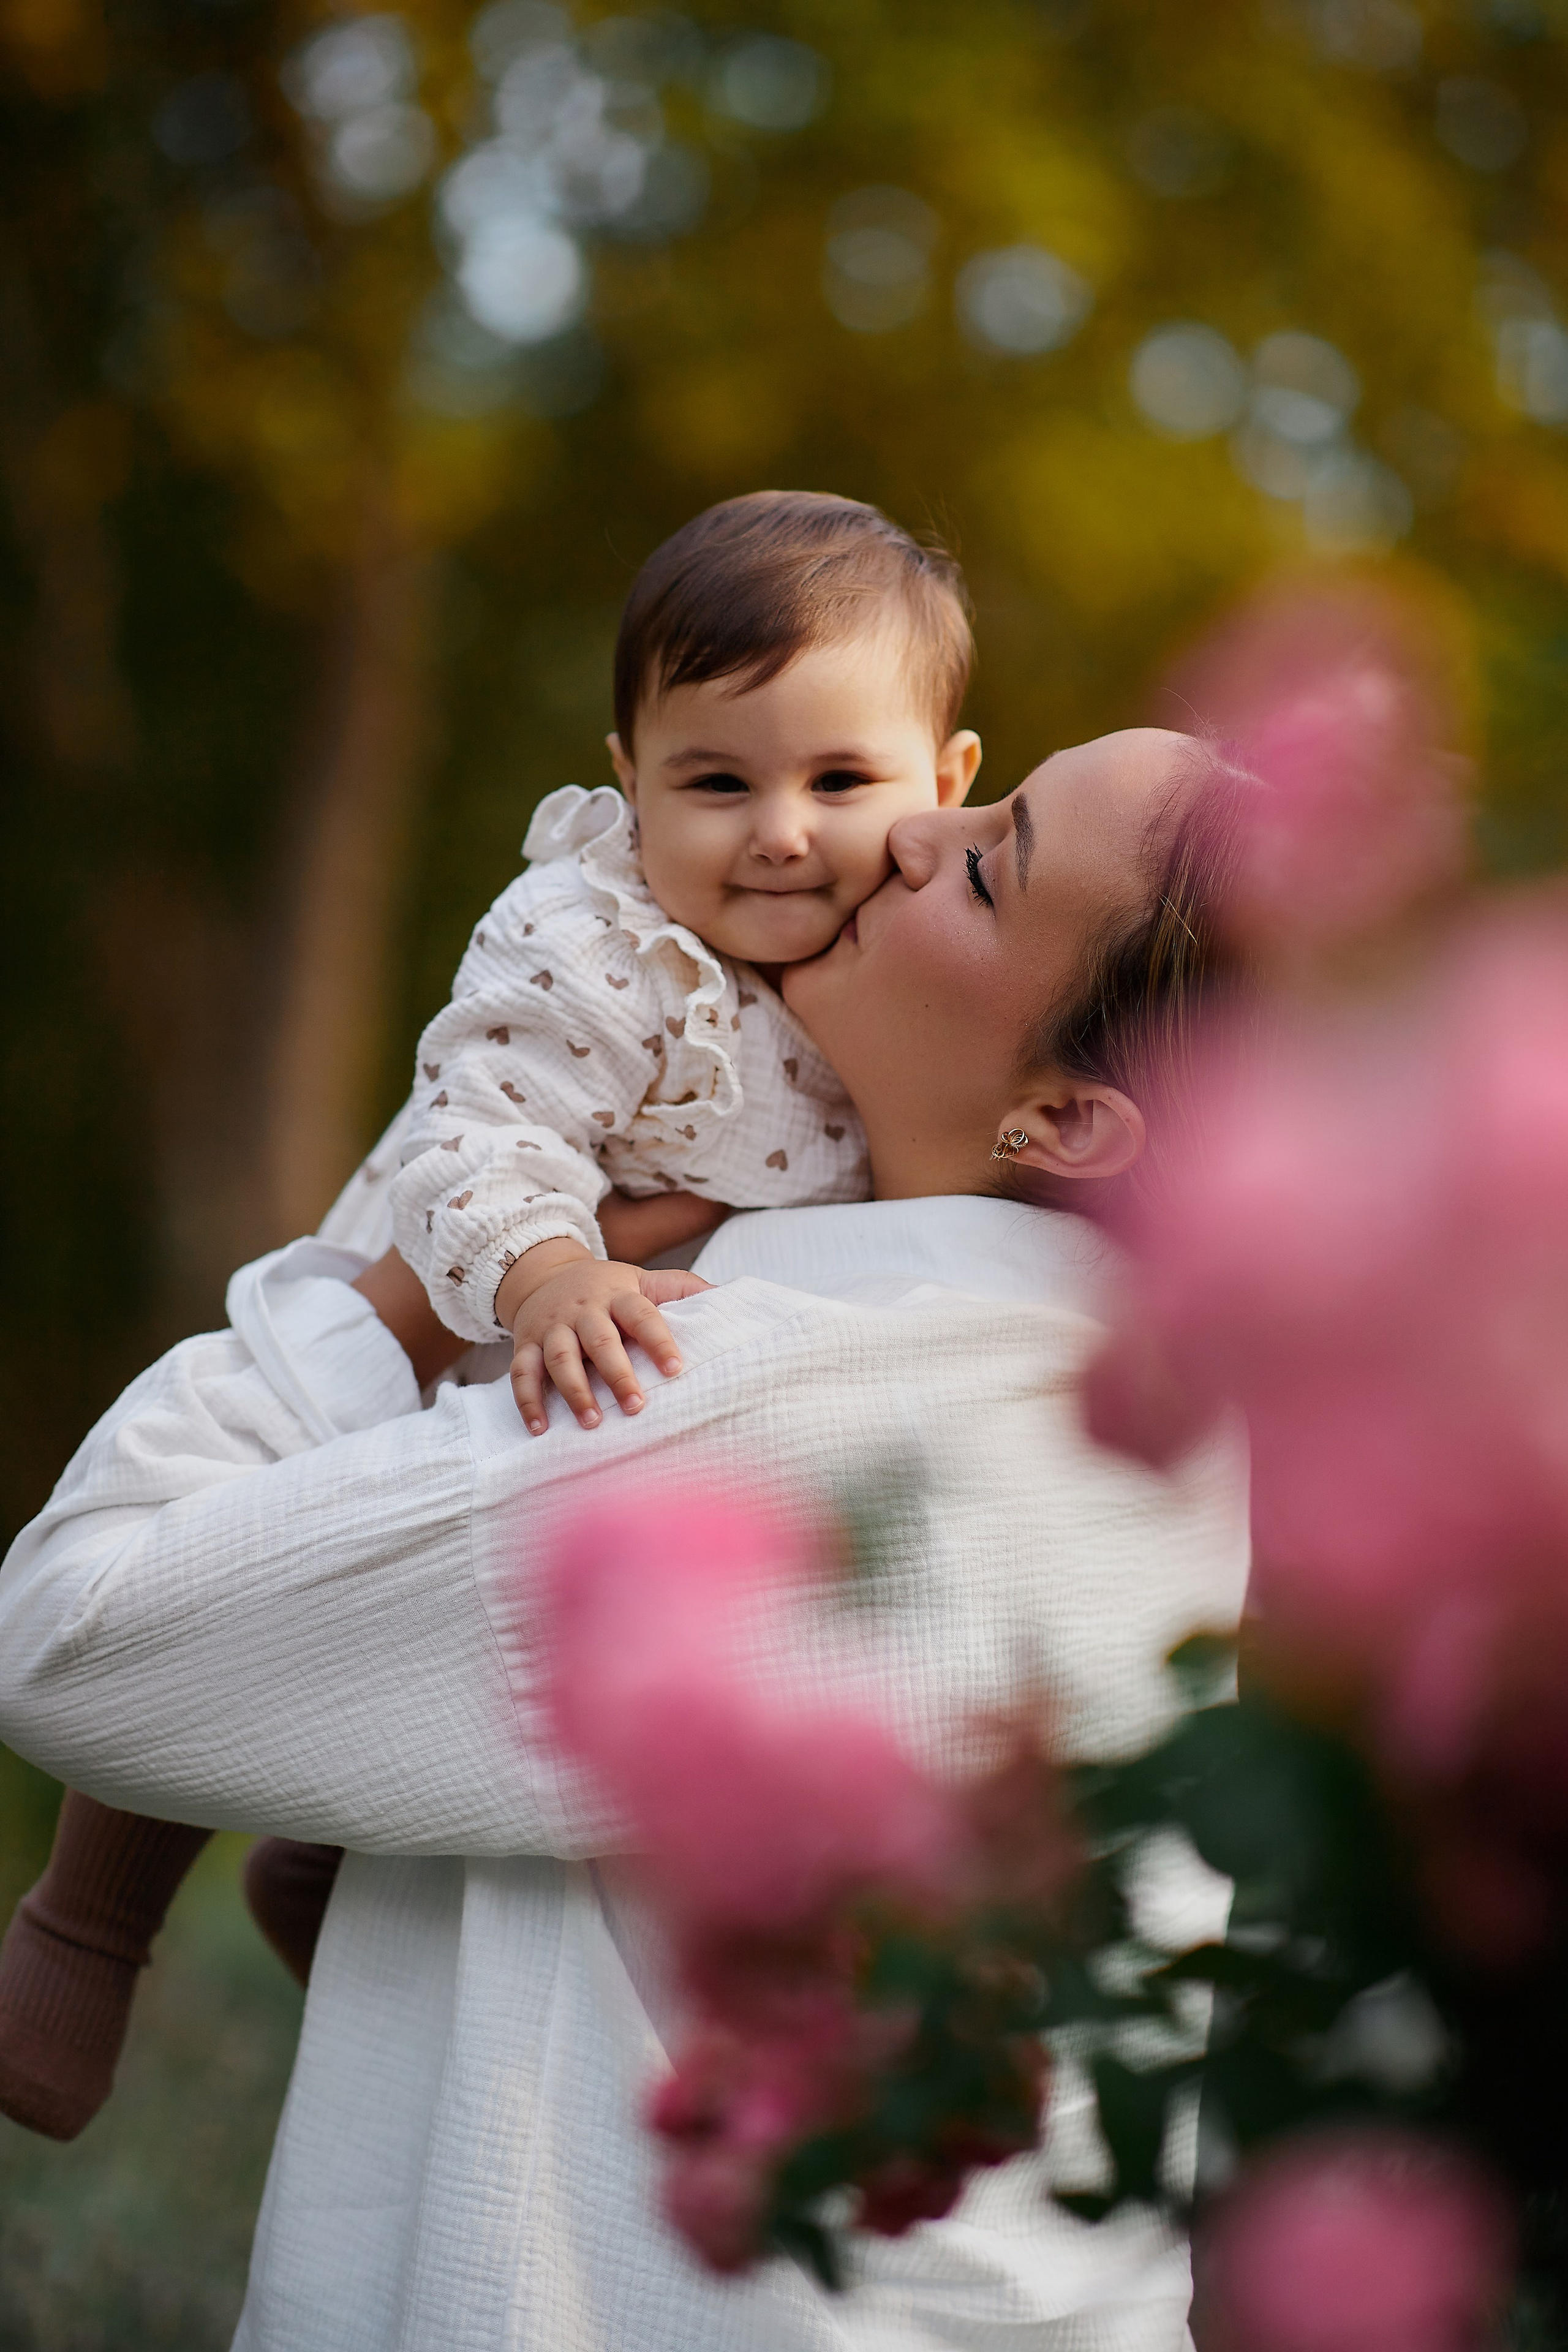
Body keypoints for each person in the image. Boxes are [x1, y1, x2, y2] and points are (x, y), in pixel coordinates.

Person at [0, 728, 1251, 2351]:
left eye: (995, 863)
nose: (924, 835)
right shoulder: (1165, 1427)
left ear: (1069, 1121)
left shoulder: (755, 1394)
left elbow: (76, 1634)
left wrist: (391, 1287)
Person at [0, 486, 982, 2142]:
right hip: (442, 1293)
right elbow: (482, 1129)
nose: (781, 832)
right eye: (716, 780)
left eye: (841, 779)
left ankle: (323, 1852)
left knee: (464, 1617)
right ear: (626, 773)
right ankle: (83, 1923)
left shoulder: (903, 945)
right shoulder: (595, 936)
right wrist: (546, 1271)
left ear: (947, 787)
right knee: (241, 1540)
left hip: (602, 1380)